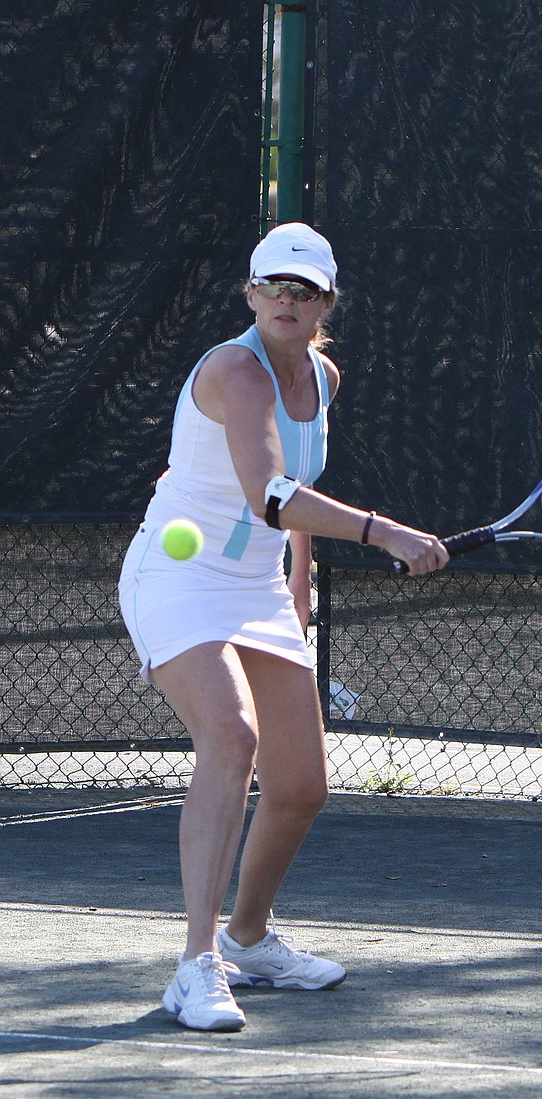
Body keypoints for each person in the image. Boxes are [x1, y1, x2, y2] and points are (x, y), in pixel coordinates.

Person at [119, 222, 448, 1032]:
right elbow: (268, 489)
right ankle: (196, 966)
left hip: (256, 586)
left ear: (327, 302)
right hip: (176, 574)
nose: (287, 301)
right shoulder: (234, 368)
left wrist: (296, 586)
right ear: (251, 293)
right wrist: (385, 530)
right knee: (230, 738)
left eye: (304, 291)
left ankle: (250, 937)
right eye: (274, 286)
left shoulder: (323, 378)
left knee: (301, 785)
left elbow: (290, 498)